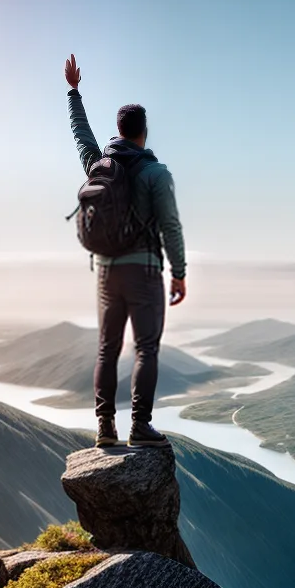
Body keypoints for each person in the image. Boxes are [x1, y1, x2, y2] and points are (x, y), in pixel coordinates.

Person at [64, 53, 186, 448]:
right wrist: (179, 272)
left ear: (118, 130)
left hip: (105, 272)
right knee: (145, 349)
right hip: (145, 273)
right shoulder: (156, 173)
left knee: (107, 349)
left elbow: (80, 134)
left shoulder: (98, 164)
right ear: (143, 132)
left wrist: (74, 92)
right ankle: (140, 425)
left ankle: (104, 428)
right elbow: (170, 226)